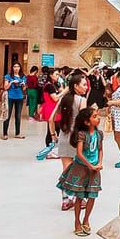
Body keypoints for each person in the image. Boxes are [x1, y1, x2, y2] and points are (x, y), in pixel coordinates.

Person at [57, 107, 103, 236]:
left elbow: (100, 149)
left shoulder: (99, 134)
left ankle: (86, 220)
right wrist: (90, 165)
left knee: (92, 196)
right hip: (81, 168)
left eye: (97, 116)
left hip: (94, 169)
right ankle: (77, 222)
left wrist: (99, 163)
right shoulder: (82, 135)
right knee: (79, 197)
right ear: (87, 122)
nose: (98, 118)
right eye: (94, 116)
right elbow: (79, 153)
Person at [49, 73, 88, 210]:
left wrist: (54, 135)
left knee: (66, 169)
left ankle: (65, 200)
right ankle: (78, 199)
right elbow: (85, 122)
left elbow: (51, 119)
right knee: (79, 170)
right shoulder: (82, 100)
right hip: (77, 138)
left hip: (64, 137)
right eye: (83, 84)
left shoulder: (63, 99)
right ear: (76, 86)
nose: (86, 87)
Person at [2, 62, 27, 139]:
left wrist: (23, 85)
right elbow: (5, 87)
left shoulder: (23, 77)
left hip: (19, 97)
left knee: (18, 116)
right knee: (7, 116)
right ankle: (5, 134)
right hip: (10, 97)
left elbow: (24, 89)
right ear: (12, 68)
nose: (16, 68)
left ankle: (17, 133)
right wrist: (12, 82)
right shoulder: (8, 76)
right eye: (15, 66)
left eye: (18, 66)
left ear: (20, 68)